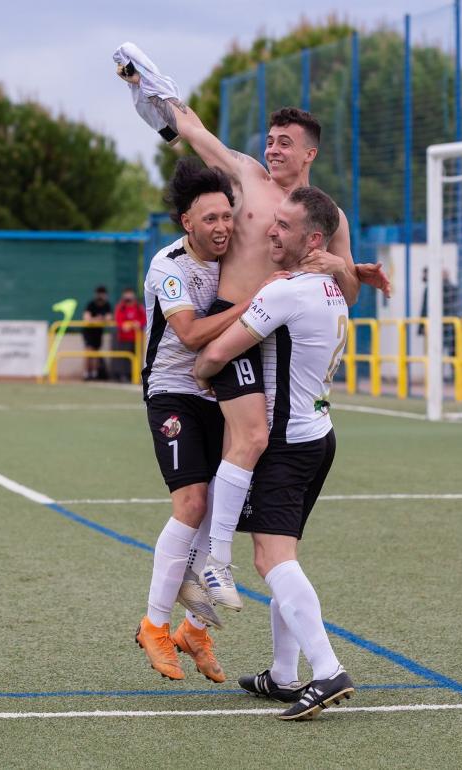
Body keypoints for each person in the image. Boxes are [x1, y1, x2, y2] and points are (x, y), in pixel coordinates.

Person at [120, 52, 390, 608]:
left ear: (310, 152)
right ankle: (214, 565)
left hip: (276, 343)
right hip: (232, 321)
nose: (273, 148)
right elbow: (191, 130)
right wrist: (151, 85)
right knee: (250, 441)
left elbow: (350, 296)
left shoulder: (326, 214)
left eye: (285, 141)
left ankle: (202, 581)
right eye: (270, 139)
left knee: (244, 461)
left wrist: (342, 268)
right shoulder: (246, 175)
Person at [194, 187, 354, 721]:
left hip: (286, 443)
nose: (269, 231)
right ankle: (284, 674)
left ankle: (327, 670)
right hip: (318, 436)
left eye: (283, 226)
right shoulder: (329, 287)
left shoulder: (287, 292)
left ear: (312, 238)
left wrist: (198, 373)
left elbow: (217, 351)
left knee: (271, 559)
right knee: (284, 556)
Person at [135, 158, 258, 683]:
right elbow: (187, 334)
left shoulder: (236, 257)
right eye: (210, 218)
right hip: (173, 393)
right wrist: (257, 305)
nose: (222, 227)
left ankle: (195, 631)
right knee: (191, 504)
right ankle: (154, 626)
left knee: (216, 517)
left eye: (227, 216)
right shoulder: (169, 266)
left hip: (219, 393)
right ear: (187, 222)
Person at [418, 266, 459, 381]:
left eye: (425, 274)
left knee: (448, 352)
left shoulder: (443, 287)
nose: (423, 277)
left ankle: (450, 377)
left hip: (447, 326)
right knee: (440, 352)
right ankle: (439, 377)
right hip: (444, 326)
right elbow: (425, 309)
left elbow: (425, 309)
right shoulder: (432, 288)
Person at [112, 286, 145, 383]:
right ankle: (124, 376)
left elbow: (143, 319)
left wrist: (137, 323)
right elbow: (119, 321)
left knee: (137, 357)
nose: (128, 296)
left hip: (137, 338)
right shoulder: (121, 307)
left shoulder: (138, 307)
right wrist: (124, 325)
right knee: (124, 358)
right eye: (126, 293)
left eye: (130, 293)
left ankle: (135, 376)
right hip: (124, 337)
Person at [82, 286, 113, 381]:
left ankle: (95, 374)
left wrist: (98, 320)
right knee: (89, 351)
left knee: (96, 353)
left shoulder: (107, 305)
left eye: (103, 294)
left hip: (98, 332)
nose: (101, 296)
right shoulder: (91, 304)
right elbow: (86, 318)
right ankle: (87, 373)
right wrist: (98, 319)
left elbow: (109, 318)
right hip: (88, 331)